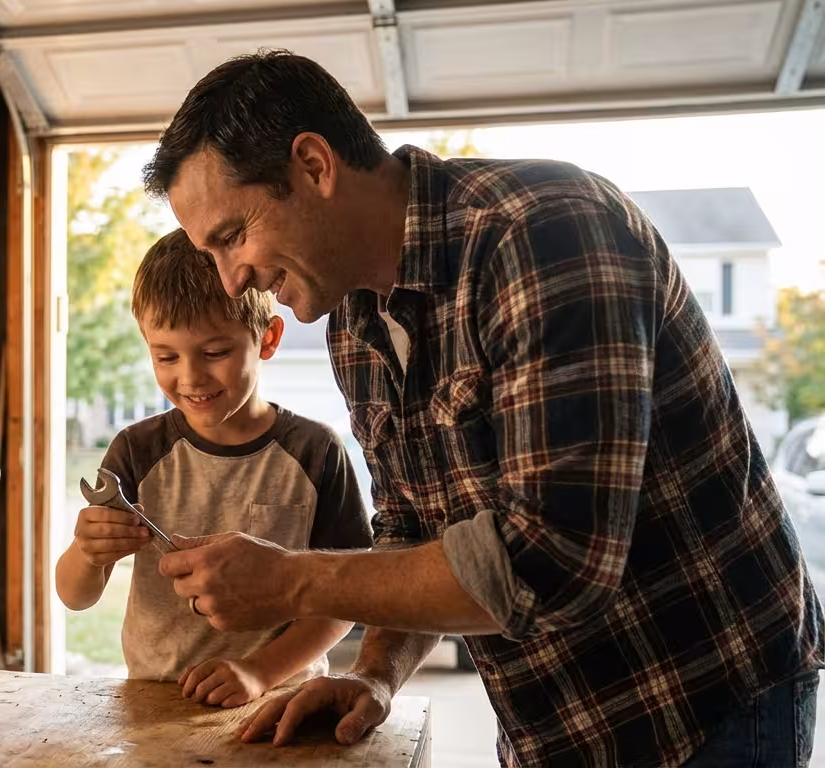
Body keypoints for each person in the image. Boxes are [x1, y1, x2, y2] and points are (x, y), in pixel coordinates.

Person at [142, 49, 825, 767]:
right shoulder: (356, 321)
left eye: (232, 237)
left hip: (703, 704)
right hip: (555, 723)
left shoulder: (546, 231)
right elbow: (413, 532)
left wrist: (289, 579)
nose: (232, 276)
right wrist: (374, 675)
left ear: (314, 165)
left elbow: (553, 557)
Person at [55, 228, 373, 708]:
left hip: (277, 702)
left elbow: (345, 601)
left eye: (216, 352)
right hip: (152, 704)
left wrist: (258, 672)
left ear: (267, 339)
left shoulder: (317, 453)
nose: (190, 377)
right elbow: (75, 596)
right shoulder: (135, 451)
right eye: (166, 356)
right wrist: (87, 552)